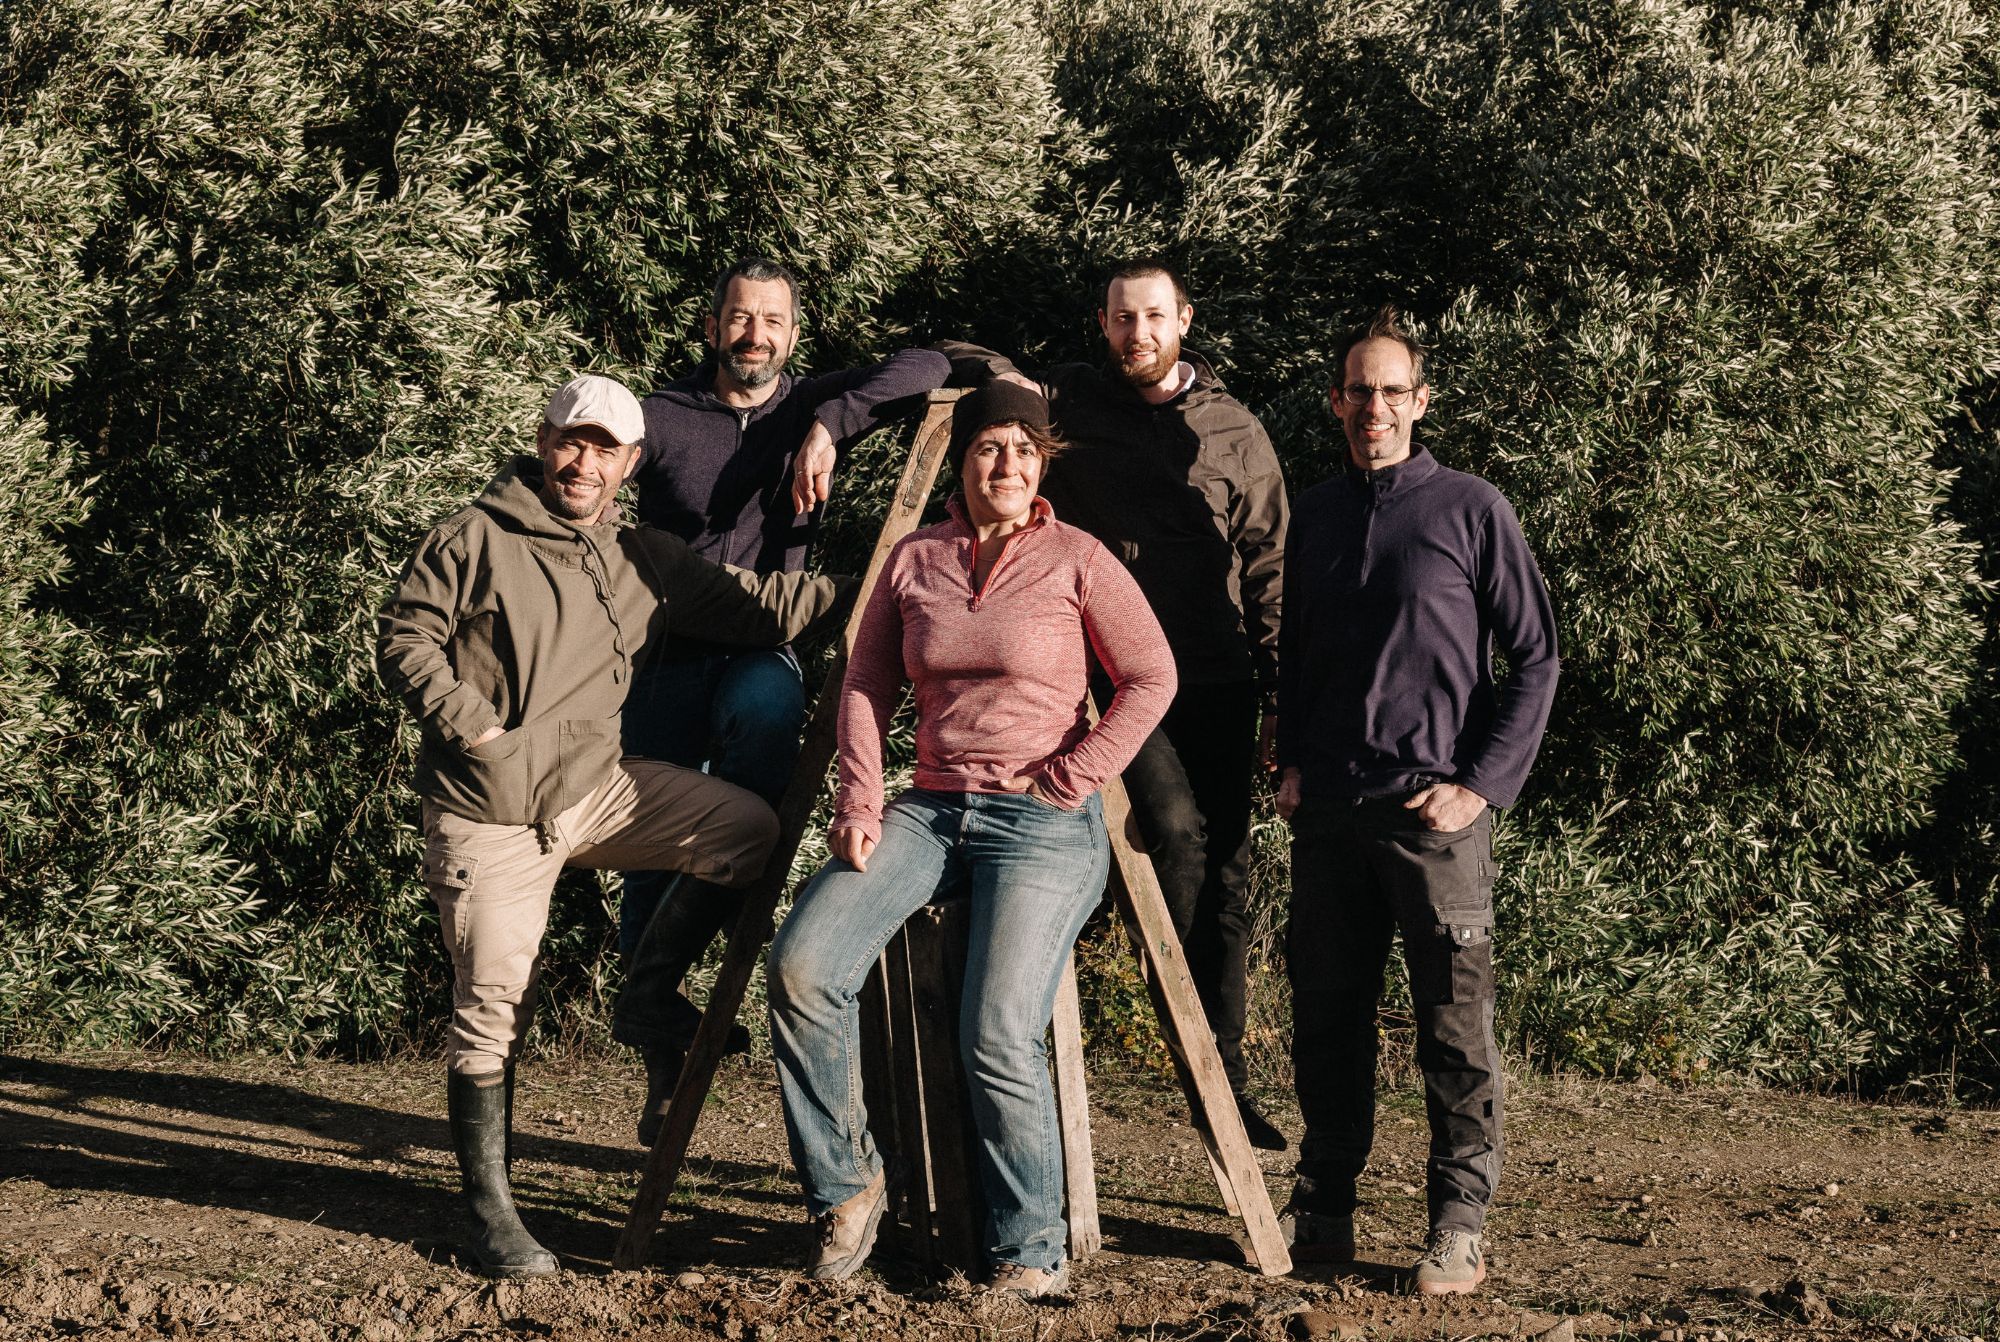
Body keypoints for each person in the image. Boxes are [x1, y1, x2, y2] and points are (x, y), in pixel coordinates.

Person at [376, 374, 850, 1277]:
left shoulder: (643, 557)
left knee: (749, 831)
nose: (581, 461)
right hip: (491, 811)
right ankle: (494, 1217)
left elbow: (761, 604)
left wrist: (882, 584)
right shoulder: (475, 536)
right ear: (543, 436)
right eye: (570, 440)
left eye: (603, 449)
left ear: (632, 463)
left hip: (596, 790)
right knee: (490, 1016)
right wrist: (474, 727)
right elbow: (406, 636)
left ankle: (647, 994)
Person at [765, 383, 1176, 1297]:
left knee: (994, 1028)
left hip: (1042, 821)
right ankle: (848, 1185)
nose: (1007, 467)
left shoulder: (1078, 558)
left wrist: (1074, 774)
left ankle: (1028, 1254)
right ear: (962, 460)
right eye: (991, 449)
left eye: (1024, 452)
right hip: (932, 809)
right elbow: (866, 680)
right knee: (801, 964)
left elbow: (1151, 675)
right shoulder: (917, 559)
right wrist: (861, 804)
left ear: (1041, 467)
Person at [932, 260, 1289, 1148]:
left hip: (1218, 672)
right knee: (1173, 833)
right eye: (1123, 319)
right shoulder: (1071, 408)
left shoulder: (1234, 430)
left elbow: (1272, 569)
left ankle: (1225, 1080)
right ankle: (1153, 1009)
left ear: (1184, 320)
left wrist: (1282, 692)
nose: (1139, 334)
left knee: (1229, 871)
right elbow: (962, 359)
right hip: (1122, 678)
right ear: (1103, 324)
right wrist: (1005, 379)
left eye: (1154, 317)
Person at [613, 258, 950, 1141]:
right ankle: (663, 1038)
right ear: (712, 324)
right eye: (738, 317)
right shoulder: (657, 416)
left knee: (765, 725)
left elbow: (936, 364)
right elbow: (580, 467)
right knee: (646, 846)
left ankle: (660, 985)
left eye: (772, 320)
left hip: (764, 648)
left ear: (793, 336)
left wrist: (831, 425)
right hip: (662, 657)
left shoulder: (811, 400)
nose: (754, 334)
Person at [1274, 308, 1559, 1294]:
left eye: (1392, 391)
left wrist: (1480, 784)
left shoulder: (1470, 509)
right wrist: (1290, 759)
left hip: (1432, 819)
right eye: (1357, 392)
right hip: (1330, 814)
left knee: (1451, 1025)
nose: (1374, 409)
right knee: (1327, 1018)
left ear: (1420, 401)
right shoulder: (1307, 515)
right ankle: (1322, 1205)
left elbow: (1535, 656)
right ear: (1335, 403)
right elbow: (1296, 658)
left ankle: (1456, 1223)